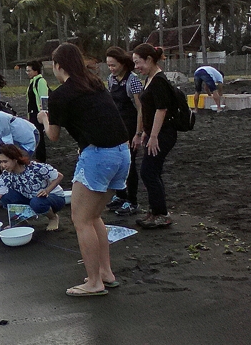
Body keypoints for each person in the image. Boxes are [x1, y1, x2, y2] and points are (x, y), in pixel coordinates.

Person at [37, 43, 130, 297]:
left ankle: (94, 282)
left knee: (81, 220)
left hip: (98, 155)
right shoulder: (94, 83)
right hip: (122, 153)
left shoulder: (61, 94)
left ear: (58, 66)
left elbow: (53, 136)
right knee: (94, 216)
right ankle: (105, 273)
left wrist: (44, 119)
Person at [0, 144, 65, 231]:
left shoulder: (35, 167)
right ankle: (21, 220)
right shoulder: (6, 175)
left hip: (54, 197)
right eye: (1, 162)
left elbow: (59, 176)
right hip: (31, 198)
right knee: (5, 197)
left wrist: (47, 190)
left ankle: (53, 218)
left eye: (5, 161)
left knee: (37, 202)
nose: (2, 165)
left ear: (15, 159)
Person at [132, 43, 177, 229]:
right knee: (152, 171)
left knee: (148, 172)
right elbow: (148, 109)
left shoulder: (159, 81)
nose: (136, 67)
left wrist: (154, 136)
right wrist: (144, 131)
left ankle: (161, 213)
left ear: (149, 60)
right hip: (155, 133)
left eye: (138, 62)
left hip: (163, 134)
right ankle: (155, 211)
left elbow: (161, 109)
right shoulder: (150, 79)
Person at [105, 46, 144, 215]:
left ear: (122, 63)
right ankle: (121, 196)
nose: (111, 68)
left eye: (113, 65)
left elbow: (141, 109)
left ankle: (132, 201)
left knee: (130, 164)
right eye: (109, 65)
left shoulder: (132, 81)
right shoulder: (111, 79)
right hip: (117, 127)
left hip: (131, 126)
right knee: (117, 162)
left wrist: (138, 133)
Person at [25, 60, 49, 162]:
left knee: (40, 137)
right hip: (33, 114)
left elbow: (44, 99)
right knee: (35, 136)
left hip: (38, 114)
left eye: (29, 70)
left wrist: (44, 114)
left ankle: (41, 159)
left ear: (36, 71)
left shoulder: (40, 81)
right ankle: (38, 157)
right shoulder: (33, 82)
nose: (27, 73)